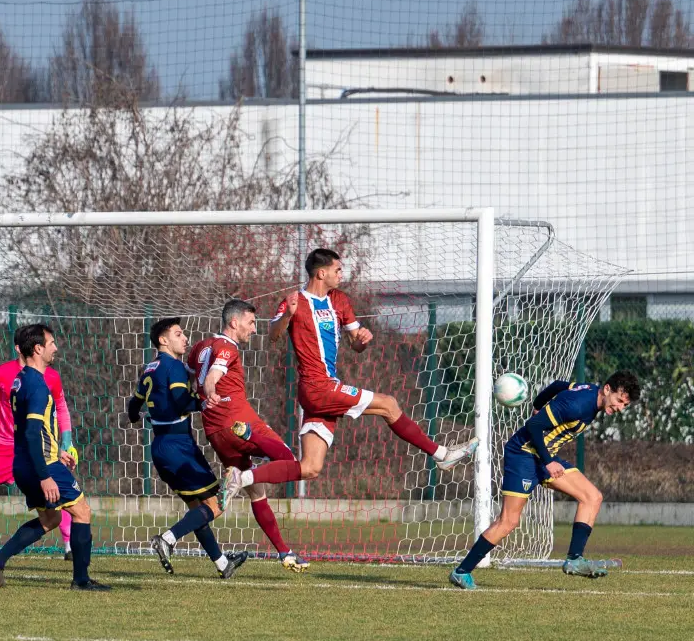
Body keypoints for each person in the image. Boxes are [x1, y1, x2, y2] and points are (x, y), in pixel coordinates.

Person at [225, 248, 477, 501]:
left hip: (324, 390)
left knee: (311, 467)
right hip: (317, 386)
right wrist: (288, 316)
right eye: (337, 270)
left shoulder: (340, 300)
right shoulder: (294, 302)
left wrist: (363, 340)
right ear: (321, 273)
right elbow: (274, 336)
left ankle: (242, 478)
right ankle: (441, 455)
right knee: (388, 404)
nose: (341, 275)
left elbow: (356, 343)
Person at [450, 372, 640, 589]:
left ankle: (575, 559)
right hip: (523, 455)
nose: (620, 408)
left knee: (592, 497)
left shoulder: (588, 391)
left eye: (624, 405)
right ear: (607, 389)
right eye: (619, 401)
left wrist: (538, 404)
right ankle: (461, 571)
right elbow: (533, 426)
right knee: (509, 521)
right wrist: (549, 460)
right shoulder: (578, 405)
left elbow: (559, 385)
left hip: (542, 457)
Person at [0, 324, 110, 591]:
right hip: (41, 466)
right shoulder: (38, 385)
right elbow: (30, 433)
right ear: (38, 348)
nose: (55, 347)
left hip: (24, 463)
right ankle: (81, 580)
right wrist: (46, 475)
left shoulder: (19, 380)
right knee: (82, 512)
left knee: (51, 520)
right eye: (51, 343)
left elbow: (34, 432)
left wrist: (57, 451)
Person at [188, 299, 308, 572]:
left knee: (257, 492)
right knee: (289, 460)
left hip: (215, 431)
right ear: (234, 322)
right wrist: (210, 391)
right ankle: (240, 477)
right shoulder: (228, 348)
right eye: (251, 322)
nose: (254, 329)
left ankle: (284, 553)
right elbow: (211, 378)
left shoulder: (199, 347)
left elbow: (190, 377)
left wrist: (199, 398)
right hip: (238, 423)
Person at [127, 317, 248, 579]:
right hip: (179, 446)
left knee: (198, 510)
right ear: (163, 340)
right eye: (179, 334)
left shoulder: (149, 369)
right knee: (218, 501)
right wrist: (205, 400)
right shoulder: (175, 367)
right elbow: (182, 401)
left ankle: (222, 564)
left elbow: (132, 407)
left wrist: (141, 417)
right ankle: (168, 539)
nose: (185, 339)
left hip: (160, 446)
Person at [0, 326, 79, 559]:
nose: (54, 347)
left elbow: (62, 407)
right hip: (4, 448)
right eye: (50, 343)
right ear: (21, 348)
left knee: (58, 496)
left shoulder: (51, 376)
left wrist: (67, 441)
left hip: (40, 448)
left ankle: (70, 547)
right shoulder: (3, 373)